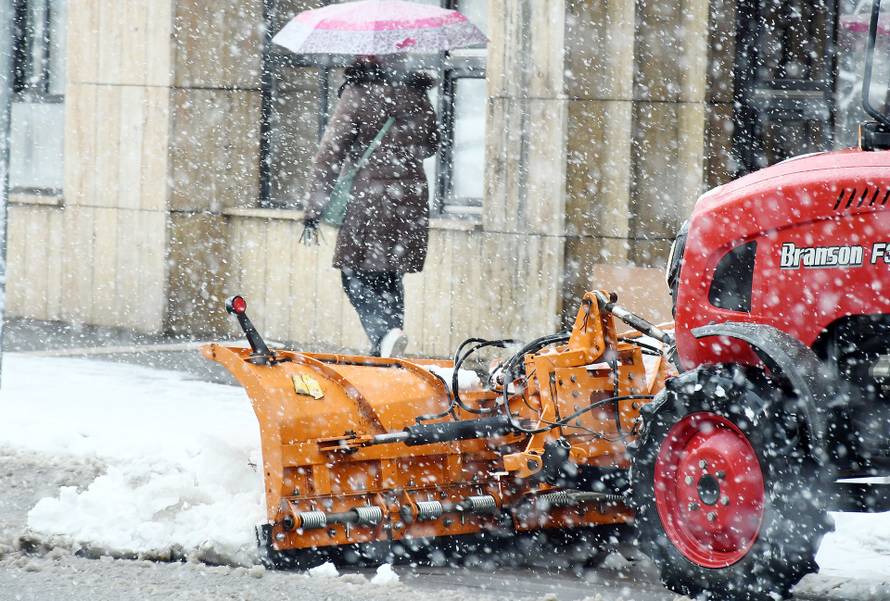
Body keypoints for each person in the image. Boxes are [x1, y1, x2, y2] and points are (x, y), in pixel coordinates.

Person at [302, 56, 439, 357]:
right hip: (410, 199)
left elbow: (331, 152)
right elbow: (431, 145)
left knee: (355, 274)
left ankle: (384, 336)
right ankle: (389, 343)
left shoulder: (358, 93)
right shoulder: (417, 92)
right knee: (388, 275)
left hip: (370, 199)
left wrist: (313, 208)